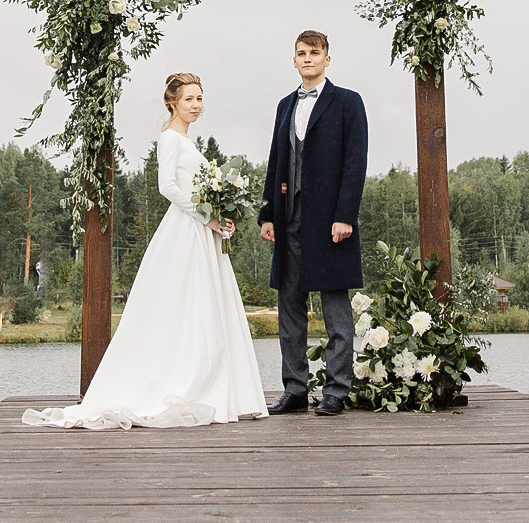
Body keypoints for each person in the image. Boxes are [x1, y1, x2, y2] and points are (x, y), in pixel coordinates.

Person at [25, 75, 268, 428]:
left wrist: (218, 215)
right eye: (189, 99)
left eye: (200, 98)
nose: (196, 105)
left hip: (202, 230)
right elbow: (166, 186)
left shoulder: (187, 140)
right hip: (186, 230)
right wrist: (206, 217)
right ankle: (189, 384)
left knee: (205, 305)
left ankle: (216, 388)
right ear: (173, 103)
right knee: (186, 303)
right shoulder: (170, 139)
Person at [258, 33, 368, 416]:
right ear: (294, 61)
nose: (308, 59)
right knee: (289, 309)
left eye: (314, 53)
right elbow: (276, 160)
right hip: (289, 217)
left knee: (336, 307)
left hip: (329, 221)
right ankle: (295, 389)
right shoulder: (285, 105)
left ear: (327, 58)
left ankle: (337, 391)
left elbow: (356, 162)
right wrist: (267, 213)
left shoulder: (348, 102)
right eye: (301, 54)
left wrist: (344, 216)